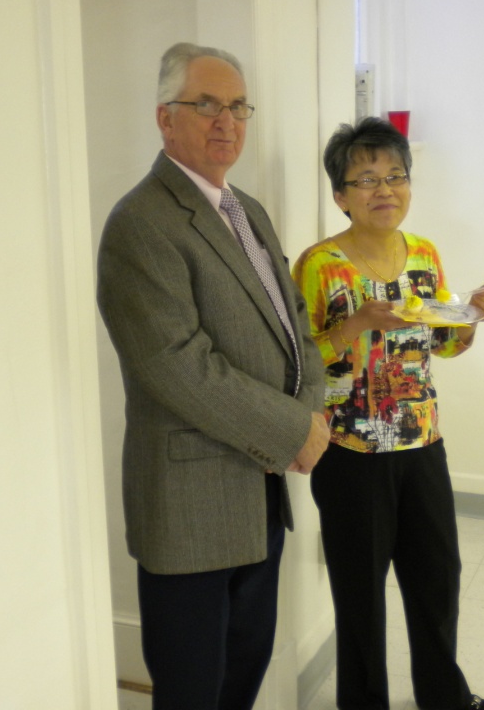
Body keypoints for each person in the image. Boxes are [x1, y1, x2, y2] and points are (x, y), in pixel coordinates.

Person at [96, 42, 329, 710]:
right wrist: (294, 430)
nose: (226, 121)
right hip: (190, 508)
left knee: (243, 673)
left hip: (260, 497)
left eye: (238, 106)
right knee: (193, 689)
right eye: (206, 105)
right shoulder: (140, 222)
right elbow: (176, 364)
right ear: (165, 118)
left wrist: (311, 409)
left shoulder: (246, 209)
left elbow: (295, 324)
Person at [291, 117, 484, 710]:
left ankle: (444, 697)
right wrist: (357, 324)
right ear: (340, 196)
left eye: (395, 176)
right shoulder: (319, 265)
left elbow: (440, 343)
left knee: (437, 579)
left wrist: (474, 315)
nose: (384, 189)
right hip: (350, 451)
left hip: (422, 443)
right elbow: (298, 361)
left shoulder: (424, 254)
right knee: (360, 595)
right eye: (366, 179)